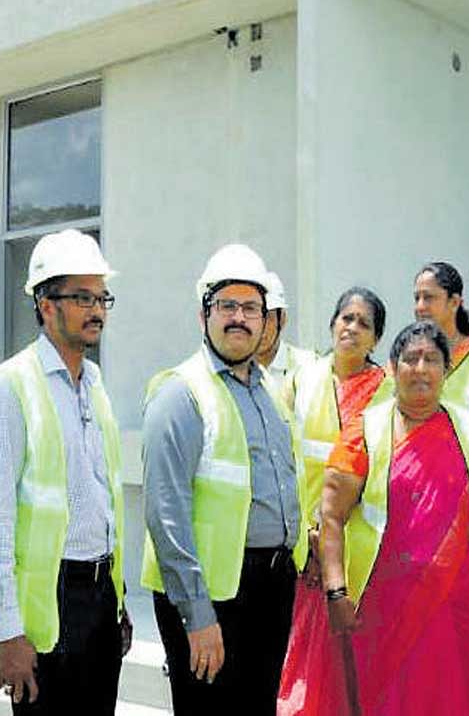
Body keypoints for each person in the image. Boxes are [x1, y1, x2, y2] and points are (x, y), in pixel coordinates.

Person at [0, 229, 129, 715]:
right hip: (49, 604)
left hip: (99, 599)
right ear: (46, 305)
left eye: (102, 297)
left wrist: (118, 602)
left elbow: (103, 500)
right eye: (82, 297)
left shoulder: (93, 384)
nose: (97, 309)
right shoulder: (12, 388)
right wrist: (8, 633)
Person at [318, 320, 469, 715]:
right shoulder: (365, 431)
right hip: (386, 608)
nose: (421, 367)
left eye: (431, 358)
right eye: (410, 358)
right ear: (393, 368)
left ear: (447, 370)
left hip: (464, 606)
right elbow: (331, 515)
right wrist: (336, 592)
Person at [141, 244, 300, 714]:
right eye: (226, 305)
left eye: (250, 307)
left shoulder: (270, 390)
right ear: (203, 315)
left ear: (266, 320)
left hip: (269, 588)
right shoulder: (180, 393)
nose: (239, 317)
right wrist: (197, 615)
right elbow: (165, 514)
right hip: (211, 598)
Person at [277, 287, 390, 715]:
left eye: (364, 323)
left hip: (362, 552)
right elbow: (281, 458)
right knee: (304, 668)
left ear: (376, 338)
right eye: (346, 318)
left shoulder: (387, 391)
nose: (352, 328)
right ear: (332, 324)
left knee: (358, 662)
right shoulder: (302, 380)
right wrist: (300, 532)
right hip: (304, 547)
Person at [413, 261, 469, 409]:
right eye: (417, 298)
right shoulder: (407, 357)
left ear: (454, 302)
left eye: (428, 297)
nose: (420, 306)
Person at [255, 271, 316, 393]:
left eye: (267, 317)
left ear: (282, 319)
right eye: (253, 316)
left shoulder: (308, 366)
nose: (259, 327)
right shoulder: (233, 371)